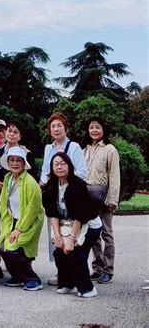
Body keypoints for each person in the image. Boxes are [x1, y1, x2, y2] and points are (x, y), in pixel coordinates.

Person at [42, 152, 102, 297]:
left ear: (69, 165)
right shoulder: (50, 186)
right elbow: (52, 213)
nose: (59, 166)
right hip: (65, 225)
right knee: (59, 252)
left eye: (63, 163)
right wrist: (57, 236)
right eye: (56, 164)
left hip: (89, 225)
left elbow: (80, 215)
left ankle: (87, 288)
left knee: (77, 254)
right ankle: (68, 284)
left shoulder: (78, 185)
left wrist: (72, 239)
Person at [40, 112, 87, 285]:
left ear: (66, 128)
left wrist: (64, 177)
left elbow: (82, 172)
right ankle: (61, 272)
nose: (56, 129)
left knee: (73, 235)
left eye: (59, 125)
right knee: (56, 233)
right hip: (54, 194)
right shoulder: (48, 149)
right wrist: (43, 183)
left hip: (71, 195)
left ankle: (74, 273)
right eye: (53, 126)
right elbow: (45, 171)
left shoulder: (74, 147)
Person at [0, 147, 44, 291]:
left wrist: (19, 228)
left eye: (18, 160)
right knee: (2, 246)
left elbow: (33, 208)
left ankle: (33, 279)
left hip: (28, 222)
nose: (15, 163)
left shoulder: (30, 182)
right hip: (12, 220)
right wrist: (5, 226)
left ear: (24, 163)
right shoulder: (8, 178)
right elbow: (3, 203)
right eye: (12, 160)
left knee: (12, 248)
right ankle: (17, 276)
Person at [83, 117, 120, 284]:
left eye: (97, 127)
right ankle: (97, 267)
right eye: (91, 127)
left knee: (106, 234)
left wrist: (113, 199)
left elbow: (114, 175)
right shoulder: (85, 150)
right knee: (93, 233)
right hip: (88, 197)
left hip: (104, 197)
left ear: (104, 129)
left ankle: (108, 269)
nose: (94, 130)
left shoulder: (110, 150)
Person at [0, 120, 38, 200]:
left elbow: (33, 176)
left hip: (20, 195)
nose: (12, 134)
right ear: (5, 132)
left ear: (20, 136)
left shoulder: (26, 153)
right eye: (9, 131)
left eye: (15, 132)